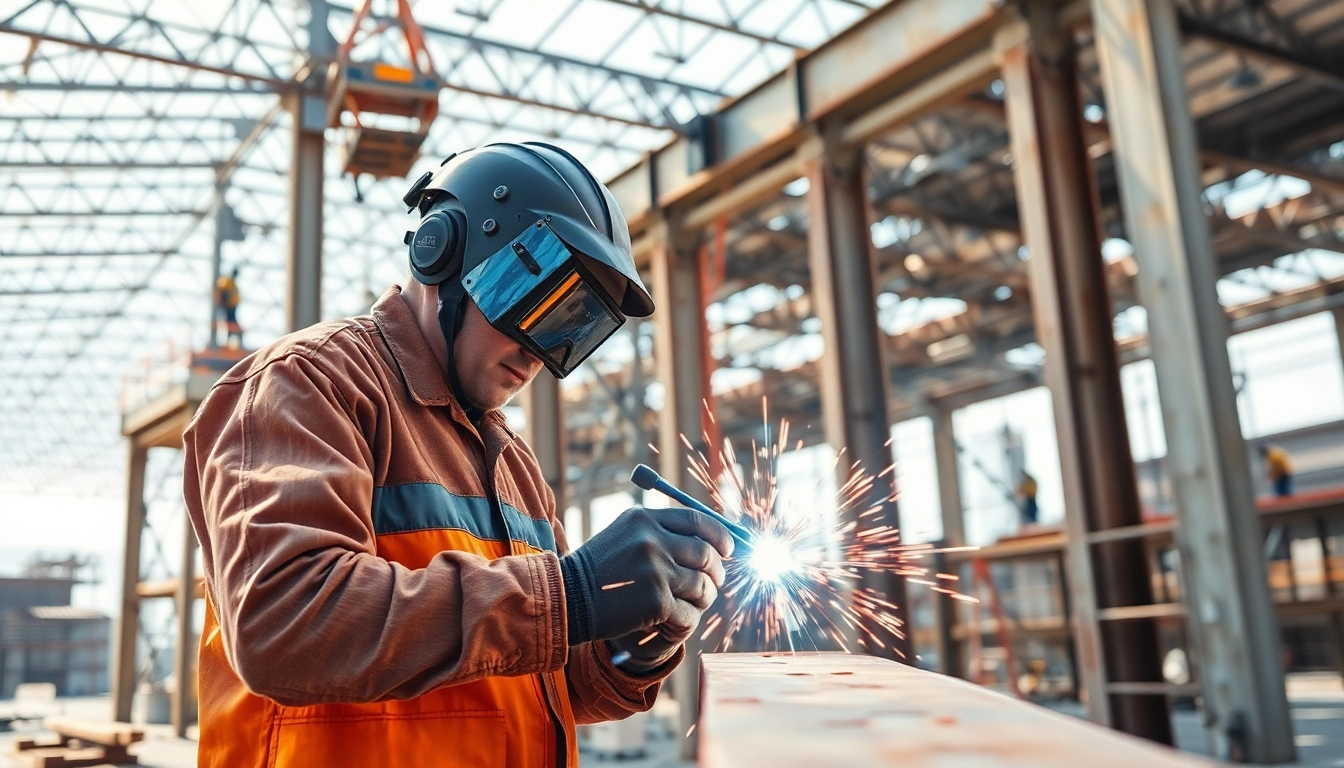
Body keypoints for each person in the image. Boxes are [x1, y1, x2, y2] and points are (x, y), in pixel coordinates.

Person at [183, 143, 733, 768]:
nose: (537, 352)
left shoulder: (514, 466)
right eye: (530, 304)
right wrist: (571, 592)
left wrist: (639, 631)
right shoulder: (311, 386)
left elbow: (555, 681)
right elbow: (283, 625)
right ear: (443, 250)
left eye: (566, 330)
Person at [212, 266, 243, 348]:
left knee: (231, 323)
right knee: (229, 323)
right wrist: (222, 302)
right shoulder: (226, 281)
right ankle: (230, 339)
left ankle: (234, 339)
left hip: (232, 306)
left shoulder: (232, 282)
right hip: (228, 306)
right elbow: (221, 291)